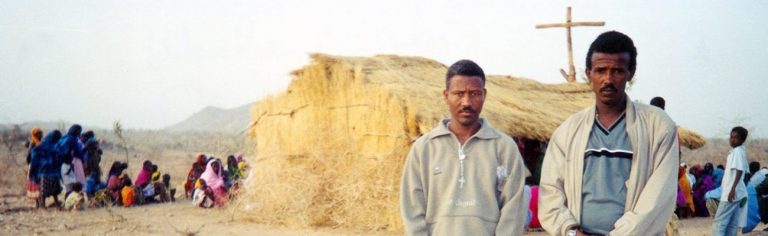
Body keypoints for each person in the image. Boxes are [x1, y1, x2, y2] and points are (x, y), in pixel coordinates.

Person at [538, 31, 679, 236]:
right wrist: (569, 232)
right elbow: (550, 192)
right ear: (589, 73)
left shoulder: (658, 127)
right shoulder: (568, 131)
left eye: (618, 71)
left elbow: (657, 198)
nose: (608, 79)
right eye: (600, 70)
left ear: (630, 73)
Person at [399, 59, 528, 235]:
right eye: (459, 94)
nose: (466, 102)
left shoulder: (503, 147)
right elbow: (412, 209)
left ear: (484, 95)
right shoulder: (424, 149)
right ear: (446, 95)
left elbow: (513, 208)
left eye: (474, 93)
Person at [712, 126, 750, 235]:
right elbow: (746, 172)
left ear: (742, 140)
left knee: (719, 221)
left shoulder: (737, 152)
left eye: (736, 138)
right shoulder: (739, 151)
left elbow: (739, 170)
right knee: (732, 223)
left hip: (731, 192)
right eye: (731, 137)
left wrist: (732, 189)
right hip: (737, 192)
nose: (732, 139)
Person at [30, 130, 63, 209]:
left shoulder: (54, 144)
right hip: (44, 169)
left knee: (55, 188)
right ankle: (42, 204)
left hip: (52, 169)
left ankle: (56, 202)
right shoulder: (43, 144)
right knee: (44, 188)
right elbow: (34, 154)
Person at [25, 127, 44, 207]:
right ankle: (37, 203)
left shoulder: (41, 142)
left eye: (40, 133)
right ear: (34, 135)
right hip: (34, 166)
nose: (39, 135)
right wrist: (32, 164)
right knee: (35, 183)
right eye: (37, 134)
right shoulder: (33, 143)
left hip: (40, 165)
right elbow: (28, 156)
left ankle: (41, 202)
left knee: (41, 183)